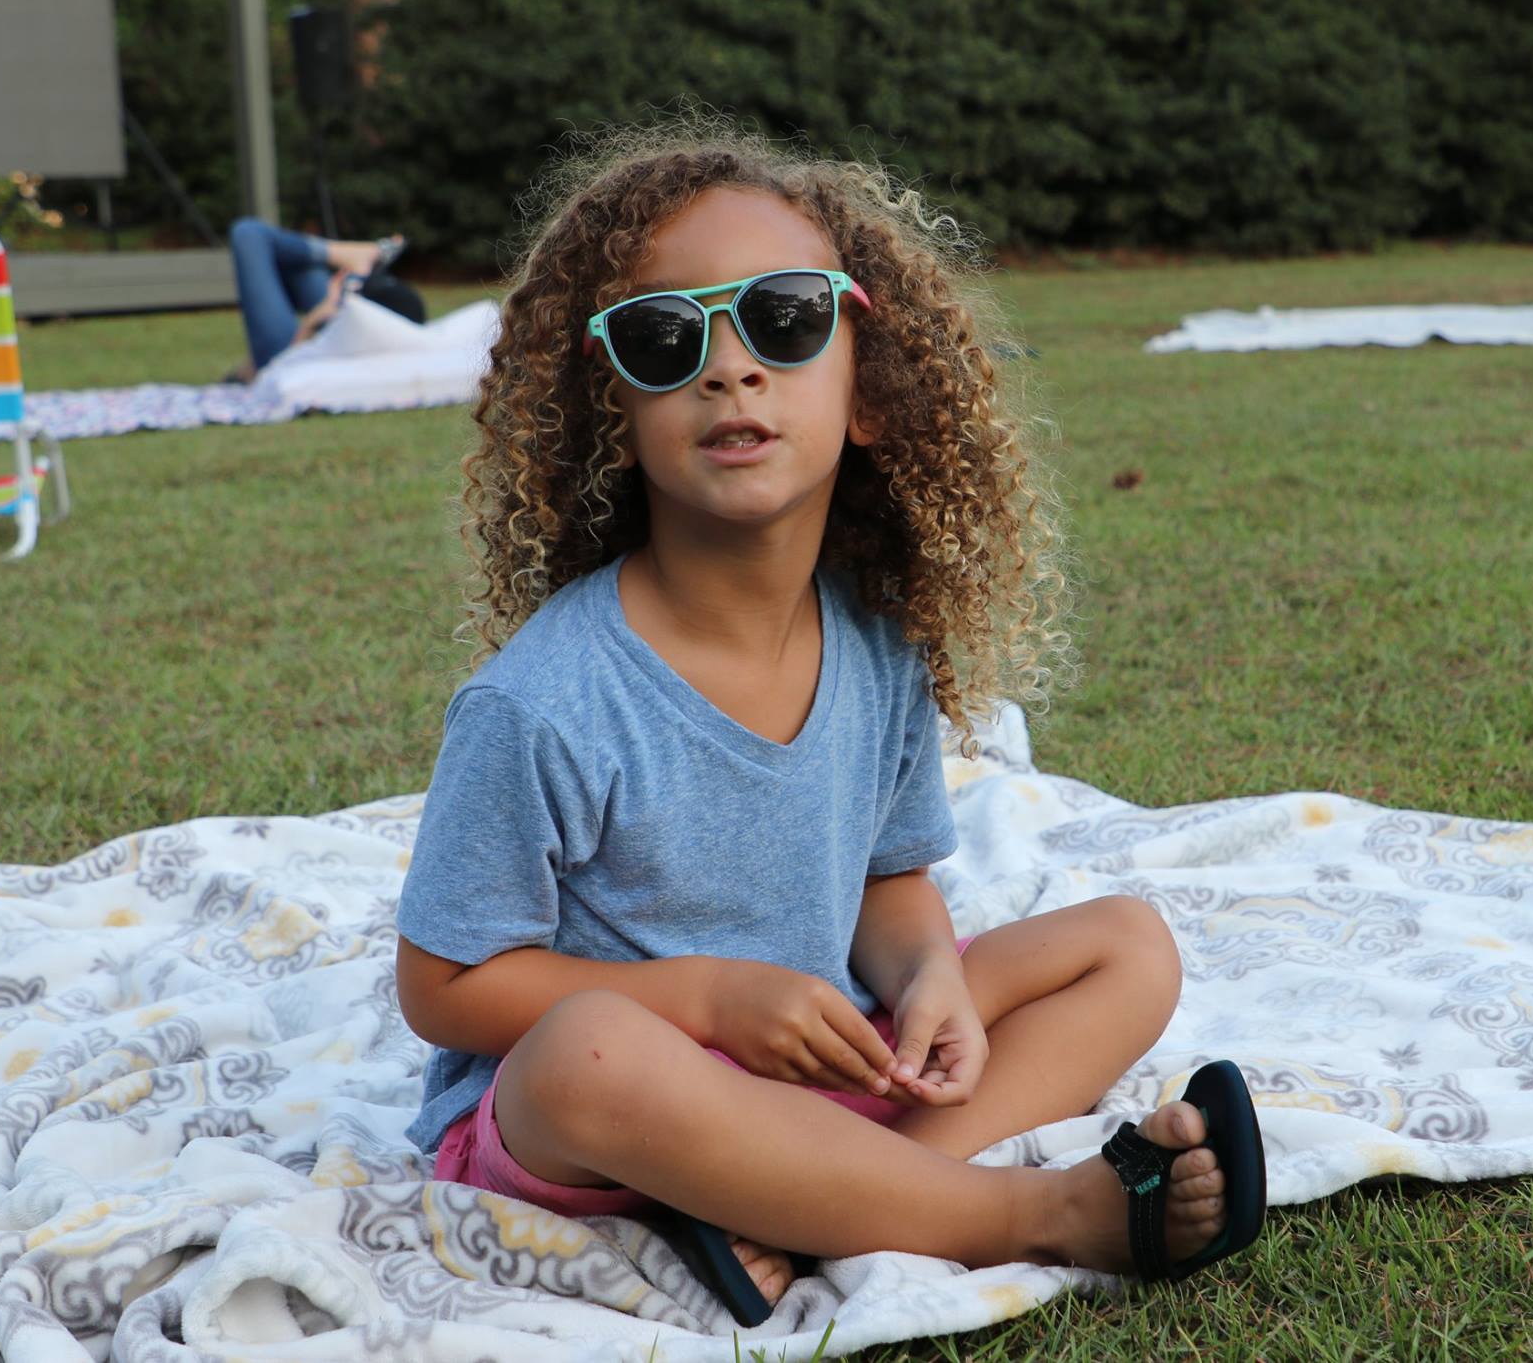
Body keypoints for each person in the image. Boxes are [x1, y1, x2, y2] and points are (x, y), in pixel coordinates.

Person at [392, 123, 1267, 1327]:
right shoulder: (543, 702)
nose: (730, 369)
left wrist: (924, 985)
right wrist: (703, 1004)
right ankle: (1037, 1214)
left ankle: (802, 1200)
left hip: (826, 1070)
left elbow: (884, 879)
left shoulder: (874, 639)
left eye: (784, 320)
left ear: (871, 387)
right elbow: (443, 987)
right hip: (598, 1125)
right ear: (617, 413)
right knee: (592, 1048)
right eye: (667, 339)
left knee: (1127, 943)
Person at [220, 218, 419, 383]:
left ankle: (352, 253)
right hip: (338, 323)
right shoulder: (402, 316)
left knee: (248, 234)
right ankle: (353, 255)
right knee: (301, 265)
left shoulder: (355, 350)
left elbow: (291, 359)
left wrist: (315, 319)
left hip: (287, 354)